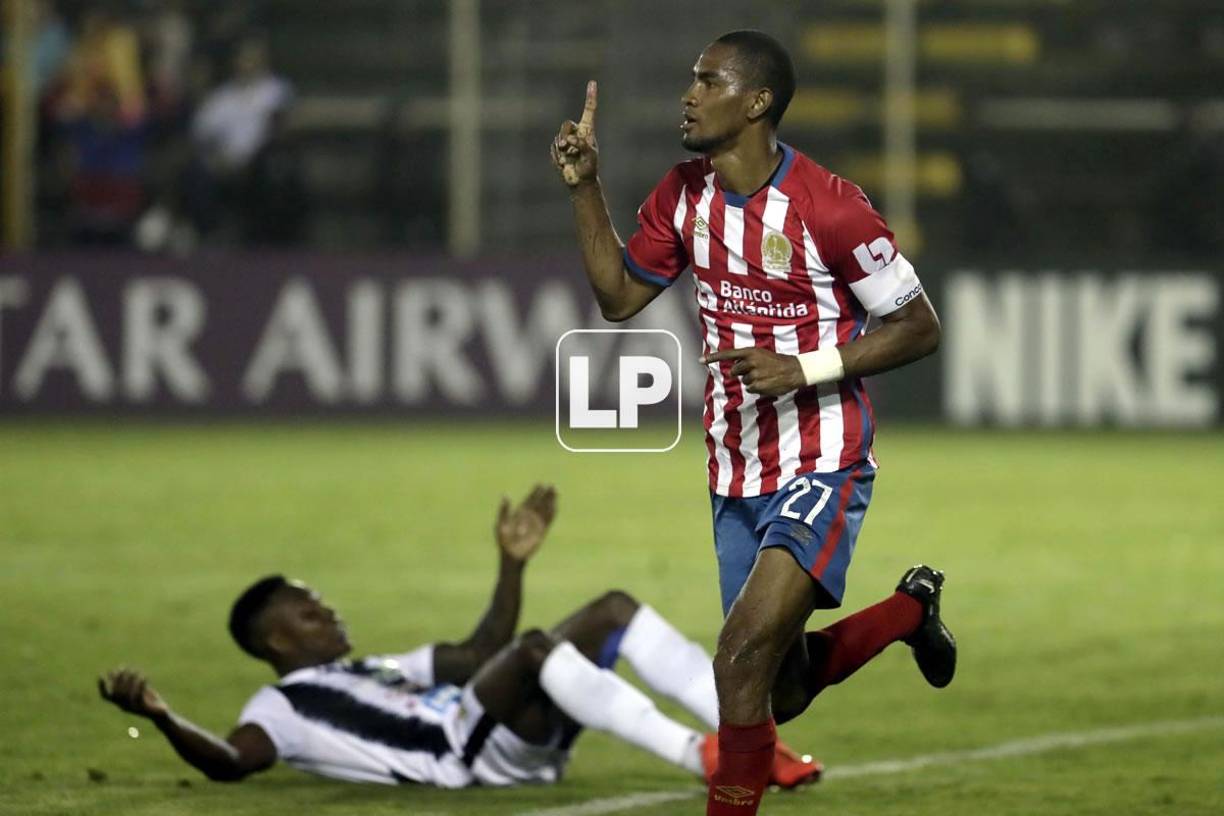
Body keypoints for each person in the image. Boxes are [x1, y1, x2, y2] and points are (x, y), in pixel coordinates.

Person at [552, 30, 956, 815]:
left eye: (707, 81)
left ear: (757, 102)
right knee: (783, 691)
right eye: (691, 80)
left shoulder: (831, 208)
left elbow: (919, 327)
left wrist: (805, 368)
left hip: (822, 457)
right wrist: (583, 188)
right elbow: (617, 297)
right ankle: (910, 609)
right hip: (734, 463)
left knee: (736, 659)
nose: (689, 94)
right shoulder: (683, 193)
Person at [99, 486, 819, 791]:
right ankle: (705, 758)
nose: (329, 613)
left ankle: (747, 731)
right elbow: (232, 762)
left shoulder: (375, 668)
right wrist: (162, 717)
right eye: (309, 611)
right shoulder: (280, 706)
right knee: (535, 650)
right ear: (275, 641)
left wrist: (510, 565)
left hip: (490, 732)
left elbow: (481, 654)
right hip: (452, 757)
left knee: (611, 608)